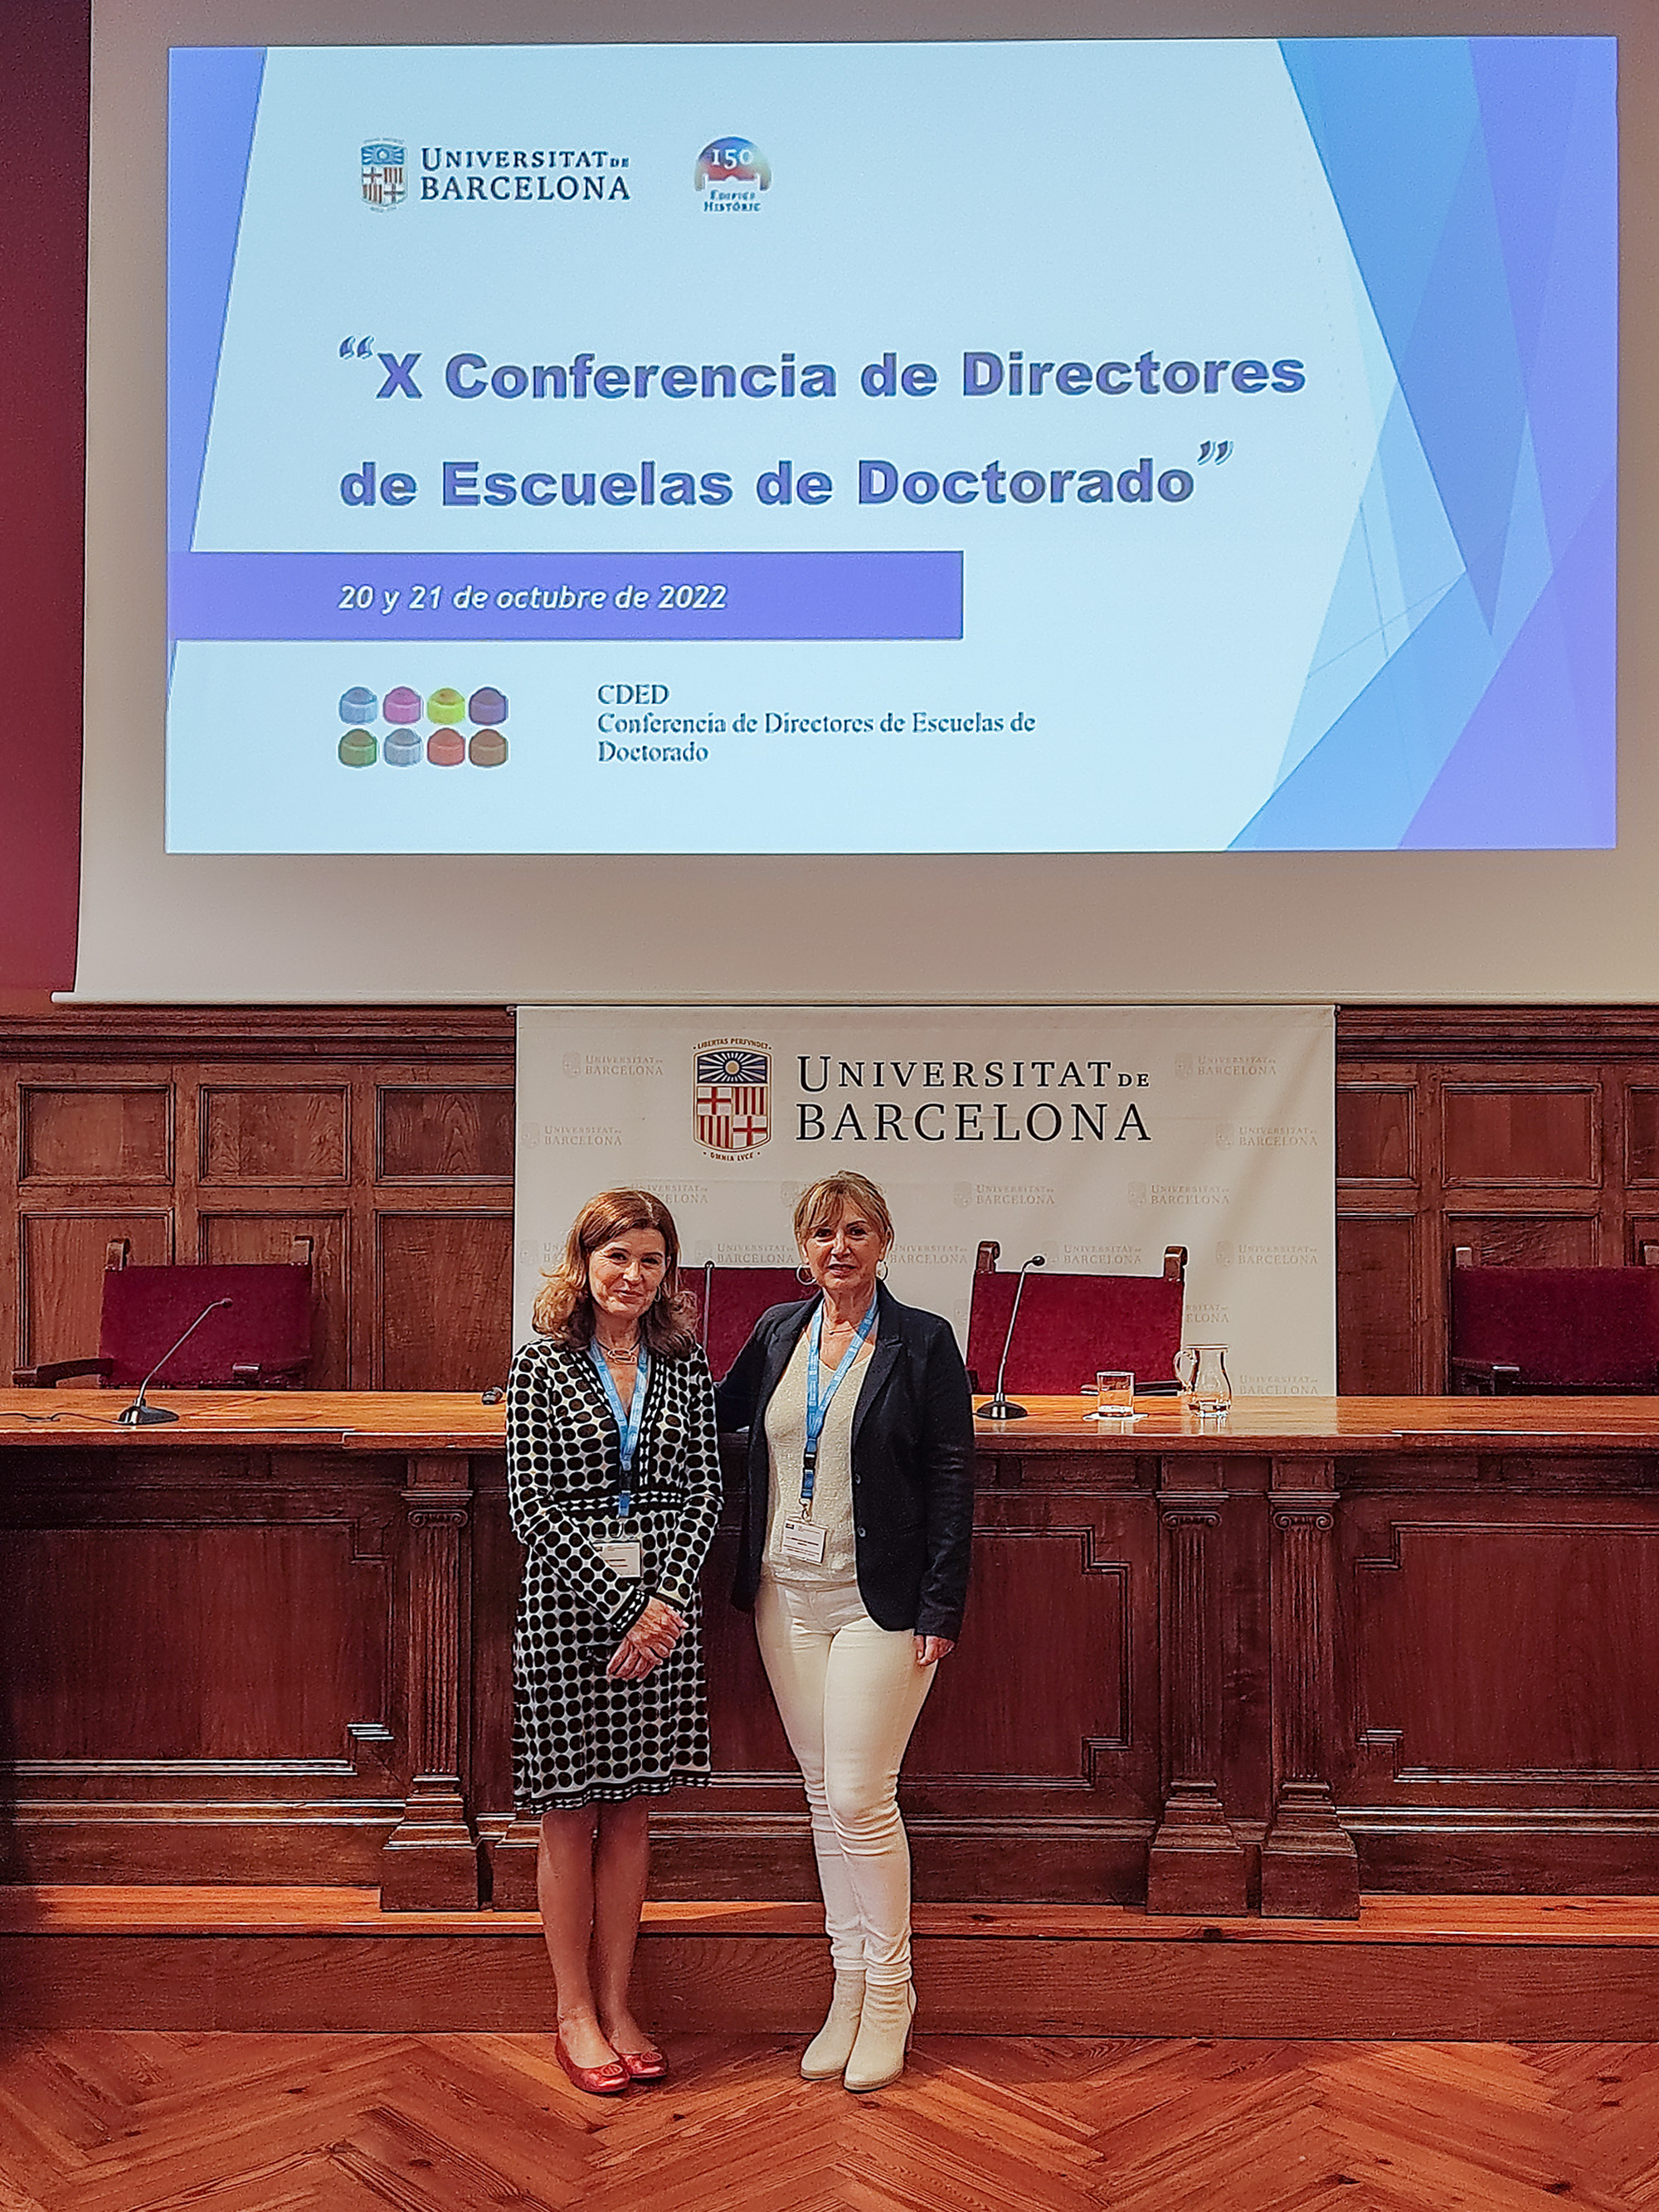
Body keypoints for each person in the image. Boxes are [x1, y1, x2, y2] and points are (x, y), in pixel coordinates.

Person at [716, 1171, 974, 2091]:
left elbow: (952, 1478)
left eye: (857, 1231)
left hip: (881, 1603)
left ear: (884, 1242)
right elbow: (715, 1418)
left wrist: (941, 1606)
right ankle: (848, 1987)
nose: (839, 1247)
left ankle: (892, 1994)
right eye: (823, 1232)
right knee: (824, 1796)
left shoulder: (923, 1341)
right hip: (785, 1598)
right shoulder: (775, 1330)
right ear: (802, 1247)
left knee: (862, 1797)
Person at [507, 1189, 721, 2097]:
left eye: (650, 1259)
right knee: (569, 1811)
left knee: (632, 1809)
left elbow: (705, 1492)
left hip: (664, 1620)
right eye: (617, 1257)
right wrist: (624, 1607)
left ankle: (619, 2003)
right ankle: (572, 2014)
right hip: (568, 1614)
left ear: (666, 1272)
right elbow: (532, 1509)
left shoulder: (683, 1360)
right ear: (585, 1263)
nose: (633, 1275)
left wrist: (662, 1604)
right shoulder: (540, 1365)